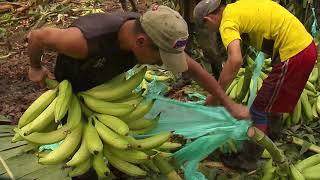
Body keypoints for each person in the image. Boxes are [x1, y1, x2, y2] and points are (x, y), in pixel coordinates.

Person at [27, 5, 249, 119]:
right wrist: (35, 67)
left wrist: (228, 104)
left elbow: (196, 71)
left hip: (107, 83)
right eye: (161, 57)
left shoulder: (152, 32)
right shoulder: (84, 41)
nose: (162, 63)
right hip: (75, 79)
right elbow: (37, 36)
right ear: (140, 42)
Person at [194, 0, 317, 171]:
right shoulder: (238, 7)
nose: (210, 31)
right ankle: (272, 134)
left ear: (208, 19)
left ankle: (248, 160)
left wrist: (216, 93)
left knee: (260, 108)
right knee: (273, 96)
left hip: (294, 52)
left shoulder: (227, 23)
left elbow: (235, 60)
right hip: (302, 47)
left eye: (206, 27)